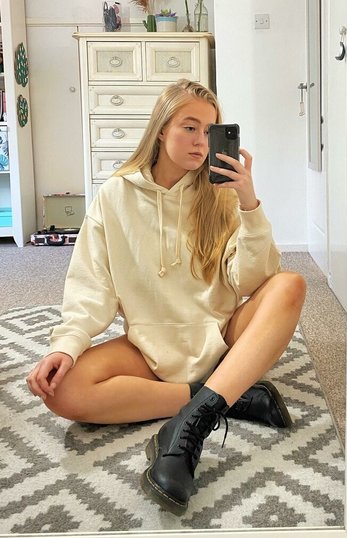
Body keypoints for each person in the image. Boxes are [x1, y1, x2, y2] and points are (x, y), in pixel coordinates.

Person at [26, 79, 306, 515]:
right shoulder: (115, 195)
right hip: (149, 348)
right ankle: (226, 395)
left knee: (290, 284)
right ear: (160, 130)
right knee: (62, 393)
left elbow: (250, 281)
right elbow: (91, 285)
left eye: (209, 131)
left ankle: (189, 426)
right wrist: (66, 345)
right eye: (189, 127)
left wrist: (249, 205)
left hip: (220, 338)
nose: (201, 142)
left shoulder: (221, 195)